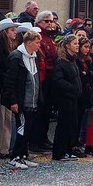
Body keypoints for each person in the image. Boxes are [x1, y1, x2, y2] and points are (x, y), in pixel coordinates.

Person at [2, 29, 42, 169]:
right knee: (21, 128)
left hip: (32, 100)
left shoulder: (34, 56)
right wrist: (13, 101)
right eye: (37, 42)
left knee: (29, 128)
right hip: (21, 100)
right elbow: (10, 81)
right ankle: (16, 156)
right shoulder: (16, 57)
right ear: (29, 42)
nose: (39, 45)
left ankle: (24, 155)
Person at [0, 18, 20, 159]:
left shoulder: (11, 46)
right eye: (12, 30)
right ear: (5, 32)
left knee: (7, 119)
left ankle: (5, 147)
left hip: (7, 88)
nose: (15, 32)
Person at [51, 34, 82, 161]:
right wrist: (72, 88)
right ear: (68, 45)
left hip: (73, 97)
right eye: (75, 44)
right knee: (64, 125)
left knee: (71, 124)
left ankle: (68, 150)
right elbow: (58, 81)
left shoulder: (72, 60)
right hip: (65, 98)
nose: (77, 46)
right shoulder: (61, 61)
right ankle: (59, 152)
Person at [31, 11, 57, 152]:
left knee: (46, 111)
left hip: (49, 78)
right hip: (42, 78)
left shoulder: (49, 38)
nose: (49, 24)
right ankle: (35, 140)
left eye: (50, 21)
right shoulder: (39, 37)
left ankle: (43, 137)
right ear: (39, 22)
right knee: (39, 111)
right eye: (46, 21)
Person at [73, 37, 93, 158]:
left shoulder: (88, 60)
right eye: (85, 47)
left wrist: (88, 74)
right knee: (76, 120)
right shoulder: (76, 60)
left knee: (82, 118)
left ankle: (77, 143)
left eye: (88, 47)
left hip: (86, 91)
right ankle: (74, 143)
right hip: (79, 92)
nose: (86, 50)